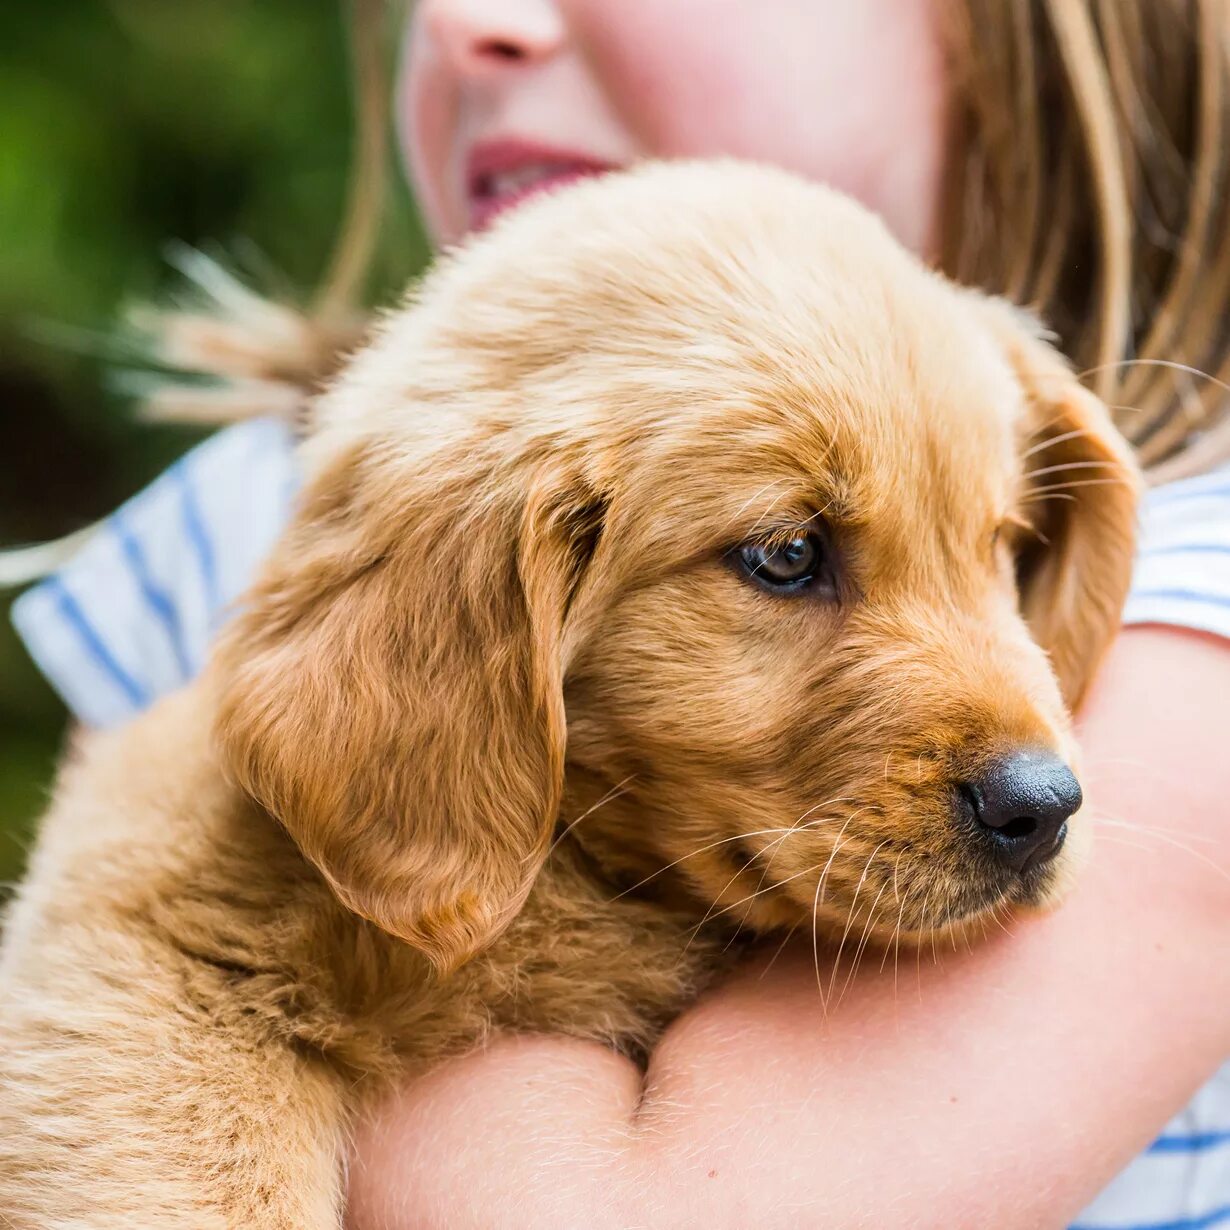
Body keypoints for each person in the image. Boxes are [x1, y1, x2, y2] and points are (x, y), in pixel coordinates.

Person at [10, 1, 1230, 1225]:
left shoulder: (1194, 636)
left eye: (1002, 548)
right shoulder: (239, 520)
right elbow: (133, 990)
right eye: (789, 557)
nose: (473, 21)